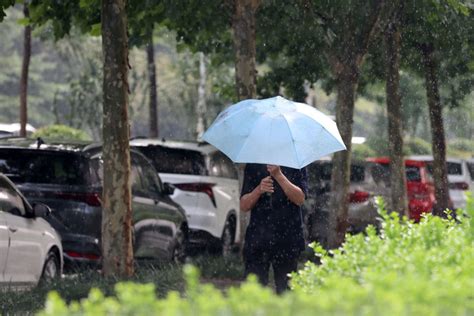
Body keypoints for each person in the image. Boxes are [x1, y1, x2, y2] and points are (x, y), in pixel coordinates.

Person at [240, 163, 308, 294]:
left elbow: (300, 198)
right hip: (257, 239)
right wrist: (259, 189)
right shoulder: (254, 163)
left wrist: (279, 175)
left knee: (286, 292)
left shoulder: (297, 164)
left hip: (288, 239)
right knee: (253, 292)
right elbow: (244, 205)